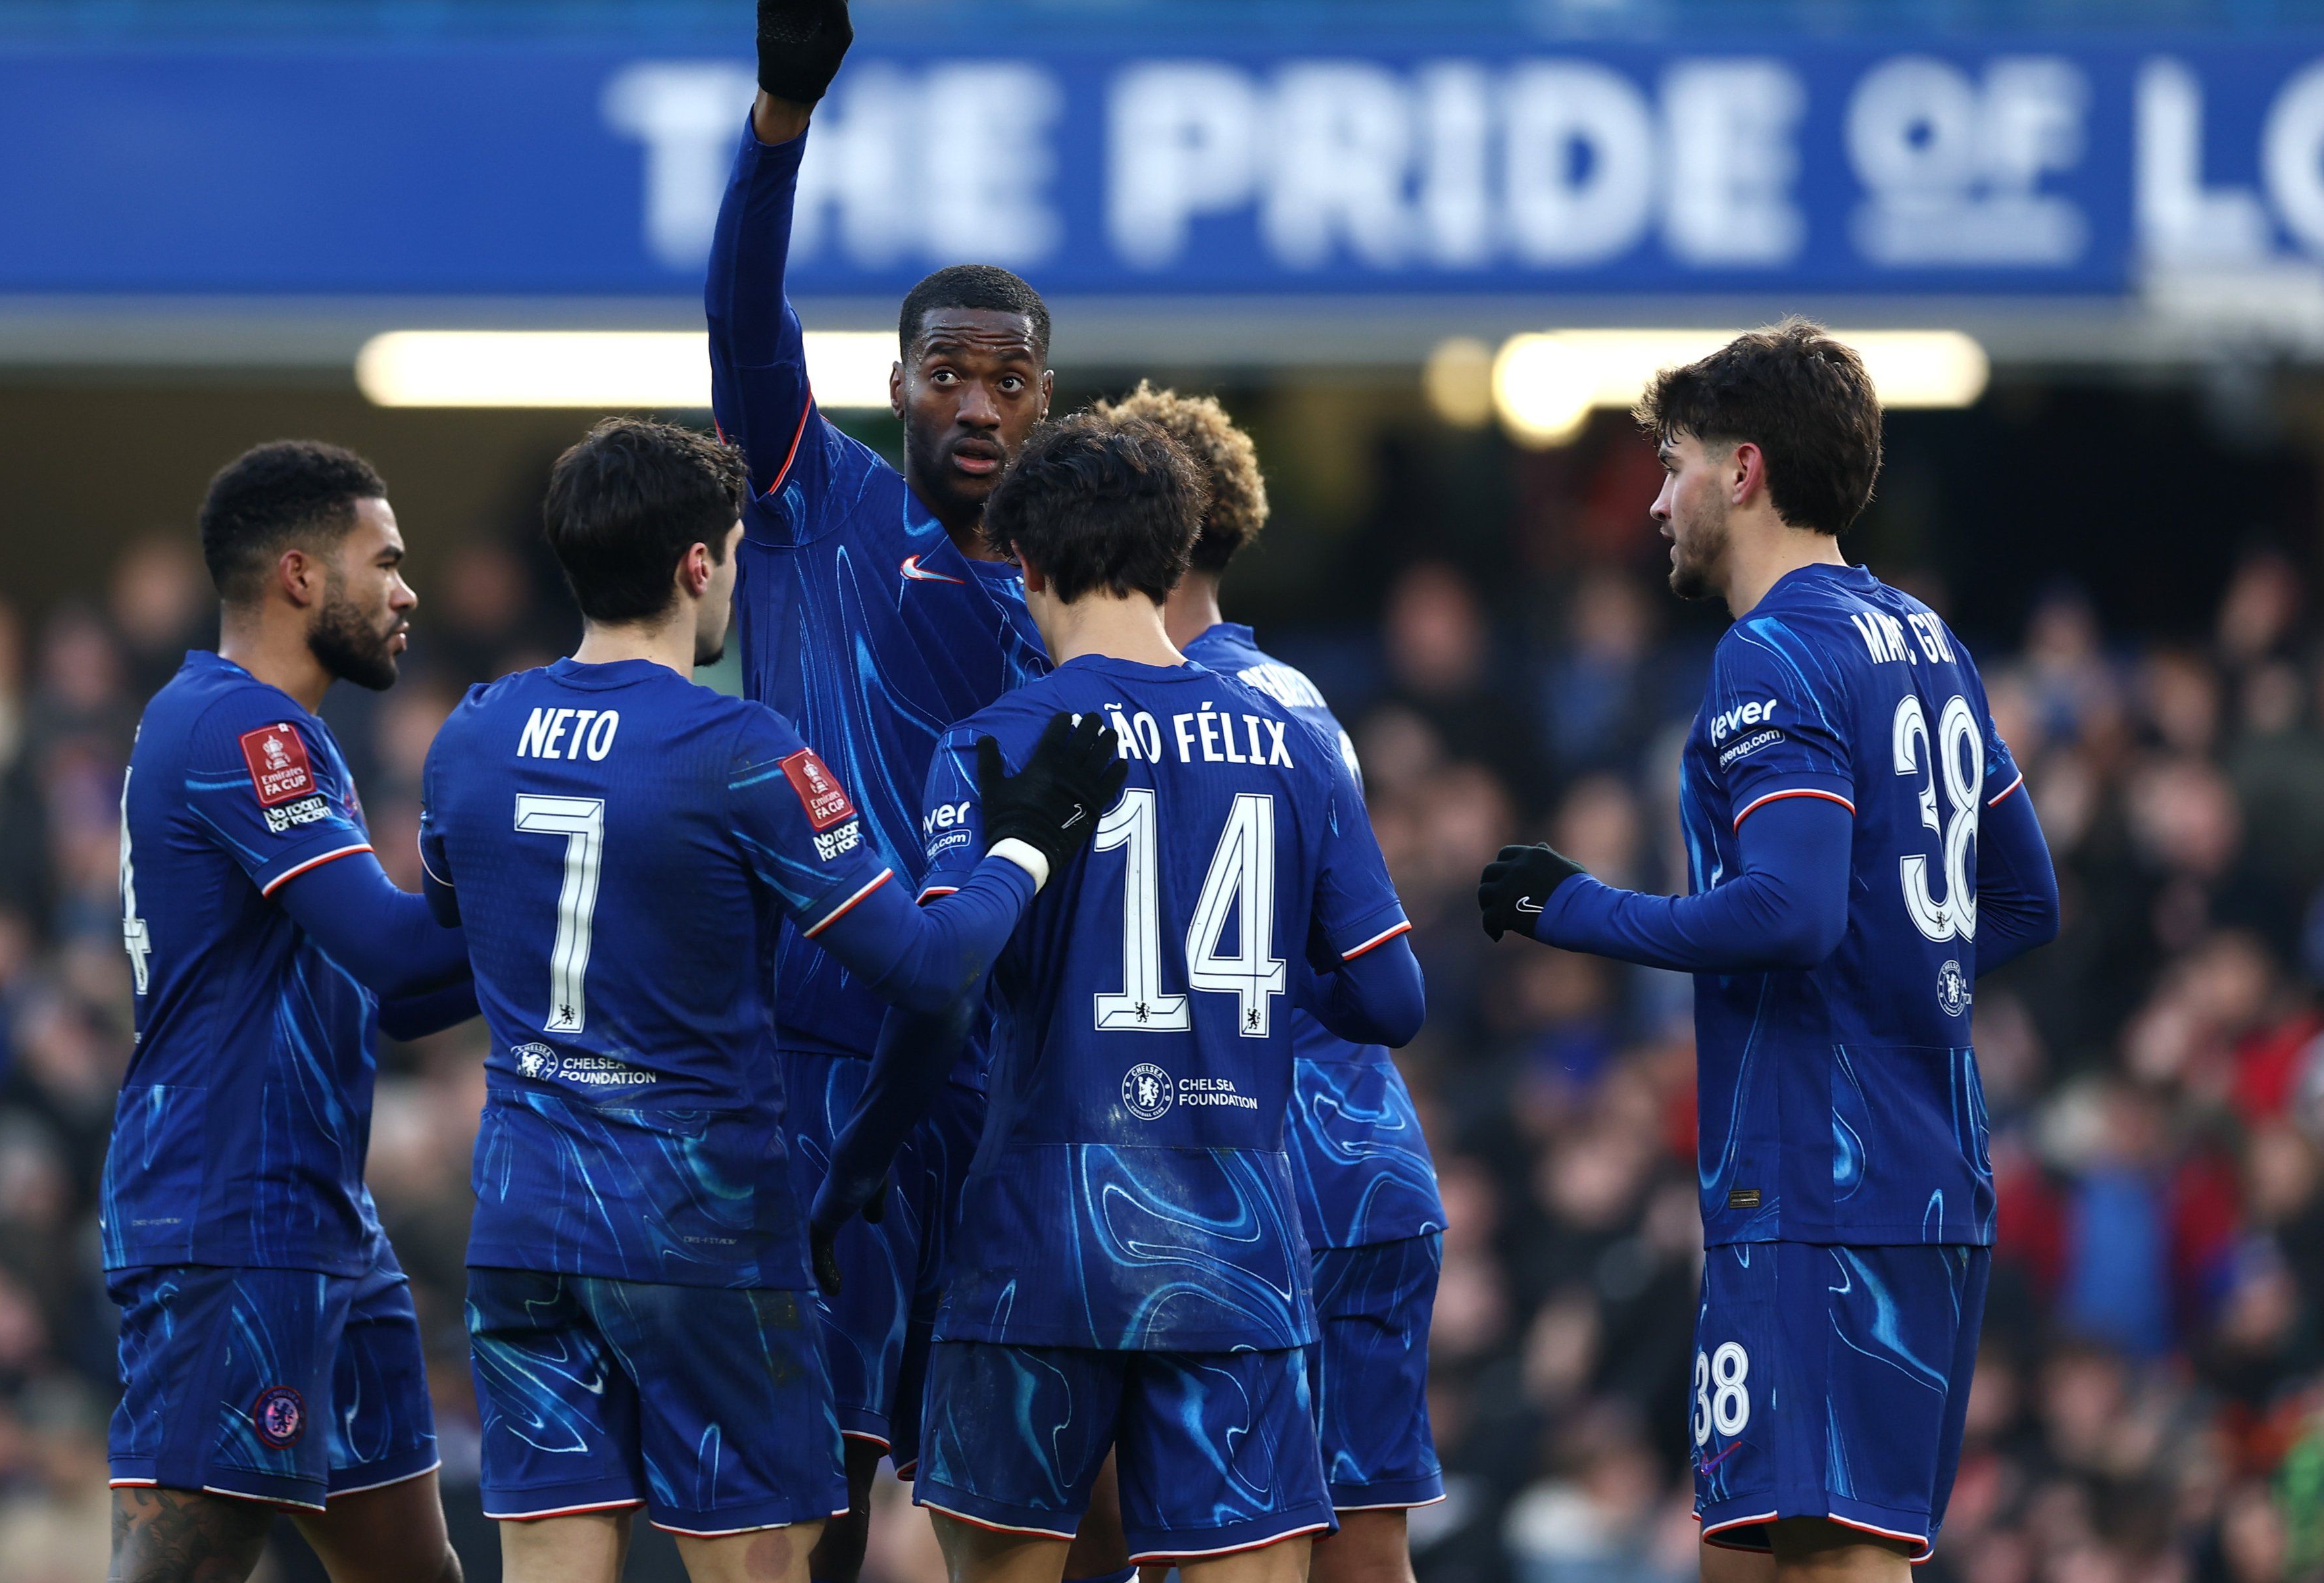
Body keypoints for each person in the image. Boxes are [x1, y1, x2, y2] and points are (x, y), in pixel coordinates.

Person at [420, 419, 1122, 1583]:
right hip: (702, 1234)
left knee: (549, 1560)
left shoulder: (473, 732)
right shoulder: (745, 749)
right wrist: (1024, 849)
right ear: (700, 564)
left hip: (525, 1220)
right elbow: (928, 967)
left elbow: (434, 946)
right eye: (737, 553)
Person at [1475, 324, 2062, 1577]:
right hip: (1912, 1170)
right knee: (1744, 1551)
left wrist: (1571, 907)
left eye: (1673, 463)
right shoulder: (1931, 644)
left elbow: (1790, 915)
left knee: (1838, 1556)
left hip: (1825, 1184)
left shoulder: (1775, 652)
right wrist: (1907, 982)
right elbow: (2022, 901)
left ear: (1742, 472)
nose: (1655, 499)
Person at [812, 415, 1429, 1581]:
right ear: (1181, 548)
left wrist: (860, 1163)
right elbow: (1392, 997)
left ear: (1025, 565)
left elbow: (941, 996)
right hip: (1240, 1238)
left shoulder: (995, 742)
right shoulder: (1289, 737)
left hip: (1039, 1239)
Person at [711, 0, 1114, 1579]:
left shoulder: (1091, 605)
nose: (971, 402)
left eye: (1004, 379)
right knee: (814, 1487)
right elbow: (743, 323)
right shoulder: (819, 503)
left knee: (1029, 1493)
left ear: (1048, 400)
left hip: (1011, 1088)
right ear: (893, 384)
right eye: (943, 371)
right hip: (815, 1053)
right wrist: (780, 127)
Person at [103, 440, 480, 1583]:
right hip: (232, 1220)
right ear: (303, 575)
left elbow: (396, 1000)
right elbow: (404, 958)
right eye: (388, 561)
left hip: (321, 1222)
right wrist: (517, 852)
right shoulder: (243, 732)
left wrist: (583, 929)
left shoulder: (271, 734)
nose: (408, 590)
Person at [1097, 385, 1446, 1583]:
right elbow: (1375, 972)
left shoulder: (1152, 720)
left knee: (1188, 1542)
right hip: (1375, 1166)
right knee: (1364, 1552)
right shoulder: (1294, 700)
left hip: (1245, 1185)